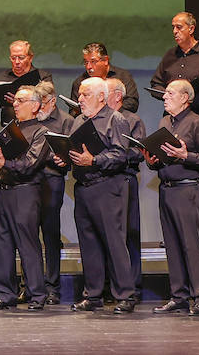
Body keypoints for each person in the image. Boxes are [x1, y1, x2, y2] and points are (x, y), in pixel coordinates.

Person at [61, 77, 137, 313]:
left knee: (114, 242)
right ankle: (93, 295)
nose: (79, 99)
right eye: (80, 95)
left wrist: (93, 160)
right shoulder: (79, 121)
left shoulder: (116, 119)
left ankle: (125, 295)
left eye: (85, 95)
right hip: (83, 187)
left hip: (108, 187)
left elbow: (120, 155)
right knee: (89, 243)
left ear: (101, 97)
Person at [144, 79, 199, 317]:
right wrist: (152, 160)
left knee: (191, 246)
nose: (164, 97)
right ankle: (179, 296)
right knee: (173, 246)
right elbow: (165, 156)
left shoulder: (197, 123)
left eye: (169, 93)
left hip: (187, 190)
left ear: (185, 98)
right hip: (166, 189)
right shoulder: (165, 121)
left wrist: (187, 155)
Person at [150, 12, 199, 245]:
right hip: (171, 119)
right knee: (169, 166)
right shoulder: (170, 56)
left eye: (179, 27)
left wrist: (188, 101)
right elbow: (156, 83)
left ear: (191, 29)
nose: (174, 31)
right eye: (172, 27)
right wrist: (168, 96)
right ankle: (173, 231)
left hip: (196, 116)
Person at [0, 87, 50, 310]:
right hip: (4, 190)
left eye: (21, 100)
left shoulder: (41, 132)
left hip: (25, 191)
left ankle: (37, 295)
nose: (16, 104)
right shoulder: (10, 129)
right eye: (15, 101)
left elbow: (30, 164)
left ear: (36, 105)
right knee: (2, 244)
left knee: (27, 244)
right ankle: (6, 294)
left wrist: (3, 164)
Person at [107, 76, 146, 304]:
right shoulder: (100, 119)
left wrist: (116, 154)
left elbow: (138, 152)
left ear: (118, 96)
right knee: (111, 236)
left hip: (125, 179)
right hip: (105, 182)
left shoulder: (132, 120)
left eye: (107, 92)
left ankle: (133, 287)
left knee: (128, 233)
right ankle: (111, 287)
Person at [34, 80, 71, 304]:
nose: (39, 107)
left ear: (53, 101)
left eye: (43, 102)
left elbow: (72, 155)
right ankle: (32, 284)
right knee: (29, 236)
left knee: (50, 235)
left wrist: (63, 159)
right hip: (29, 181)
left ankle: (52, 287)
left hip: (52, 181)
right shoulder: (31, 119)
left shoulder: (66, 121)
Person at [0, 40, 51, 126]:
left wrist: (19, 102)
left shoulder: (43, 78)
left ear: (30, 58)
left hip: (36, 127)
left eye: (21, 58)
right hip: (10, 128)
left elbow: (48, 106)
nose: (17, 62)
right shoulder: (2, 77)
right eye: (13, 58)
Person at [70, 43, 139, 113]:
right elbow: (73, 112)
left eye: (93, 62)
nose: (88, 67)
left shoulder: (123, 76)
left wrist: (105, 113)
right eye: (86, 62)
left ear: (106, 60)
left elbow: (132, 104)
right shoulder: (80, 82)